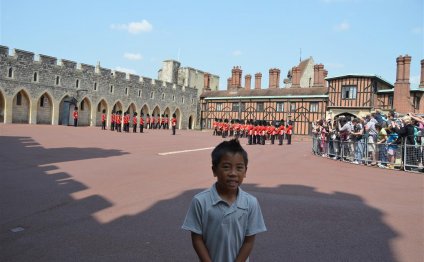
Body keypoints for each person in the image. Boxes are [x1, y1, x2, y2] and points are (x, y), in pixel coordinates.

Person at [182, 139, 267, 262]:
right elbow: (197, 238)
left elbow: (249, 241)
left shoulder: (251, 203)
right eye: (226, 167)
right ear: (214, 170)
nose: (233, 173)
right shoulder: (200, 201)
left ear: (245, 172)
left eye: (239, 168)